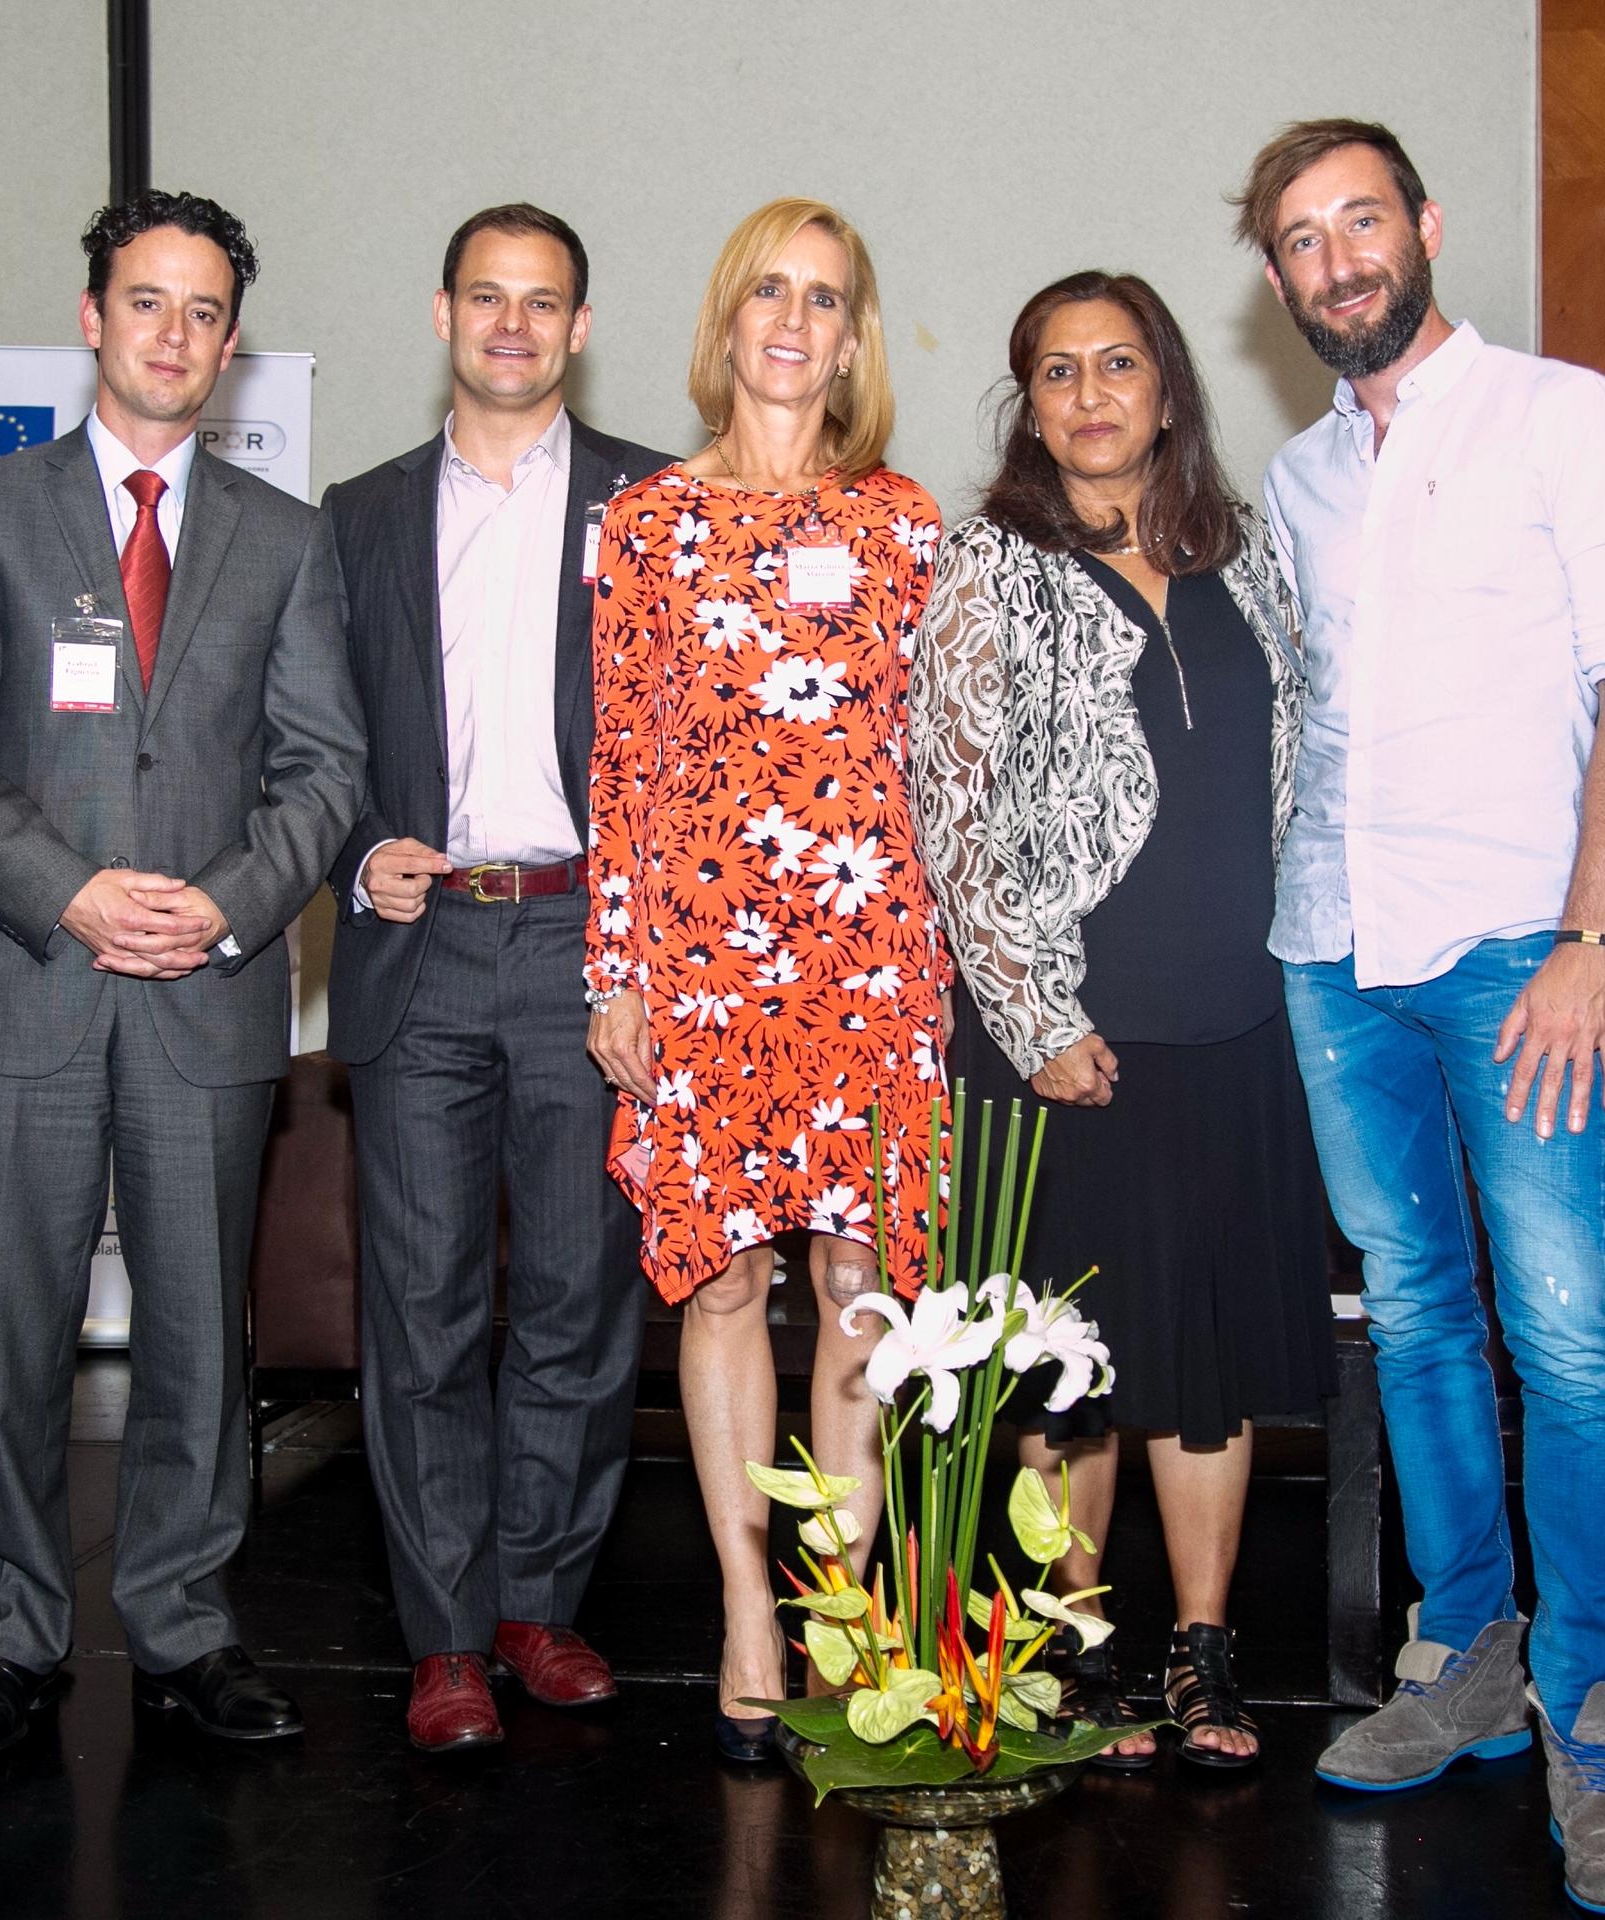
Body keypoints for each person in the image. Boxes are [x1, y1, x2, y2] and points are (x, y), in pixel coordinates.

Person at [1241, 118, 1605, 1915]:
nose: (1337, 258)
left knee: (1569, 1338)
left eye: (1361, 220)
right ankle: (1472, 1653)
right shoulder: (1295, 479)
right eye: (1300, 238)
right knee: (1416, 1315)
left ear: (1423, 226)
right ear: (1276, 277)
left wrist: (1596, 938)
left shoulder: (1569, 416)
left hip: (1521, 944)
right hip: (1333, 948)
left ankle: (1599, 1725)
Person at [0, 189, 364, 1758]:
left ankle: (184, 1621)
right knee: (12, 1331)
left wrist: (222, 910)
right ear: (93, 318)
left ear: (231, 346)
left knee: (197, 1337)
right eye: (147, 302)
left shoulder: (287, 539)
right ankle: (6, 1635)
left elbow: (324, 768)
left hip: (205, 993)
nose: (174, 333)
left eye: (204, 312)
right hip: (29, 980)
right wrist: (74, 892)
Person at [913, 270, 1333, 1773]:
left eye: (1119, 365)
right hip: (1064, 1041)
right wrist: (1033, 1013)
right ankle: (1069, 1647)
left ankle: (1202, 1651)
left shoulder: (1250, 559)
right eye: (1059, 372)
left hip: (1234, 1019)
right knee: (1067, 1367)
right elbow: (953, 810)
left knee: (1201, 1361)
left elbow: (1298, 772)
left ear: (1168, 391)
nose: (1091, 395)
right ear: (1030, 408)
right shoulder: (990, 569)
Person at [582, 197, 949, 1763]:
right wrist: (617, 969)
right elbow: (623, 759)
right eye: (770, 292)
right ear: (728, 320)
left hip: (870, 956)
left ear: (854, 339)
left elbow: (945, 759)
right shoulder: (646, 524)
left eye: (827, 298)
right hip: (704, 958)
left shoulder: (905, 523)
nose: (795, 321)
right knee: (724, 1280)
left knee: (861, 1282)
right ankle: (746, 1606)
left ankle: (844, 1611)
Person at [321, 204, 673, 1754]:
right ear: (443, 313)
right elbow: (309, 731)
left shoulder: (658, 503)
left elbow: (698, 743)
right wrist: (356, 849)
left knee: (581, 1299)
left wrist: (661, 944)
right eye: (487, 296)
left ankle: (538, 1600)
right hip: (422, 942)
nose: (512, 325)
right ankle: (446, 1635)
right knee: (423, 1305)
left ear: (580, 327)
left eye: (542, 302)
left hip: (593, 944)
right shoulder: (358, 517)